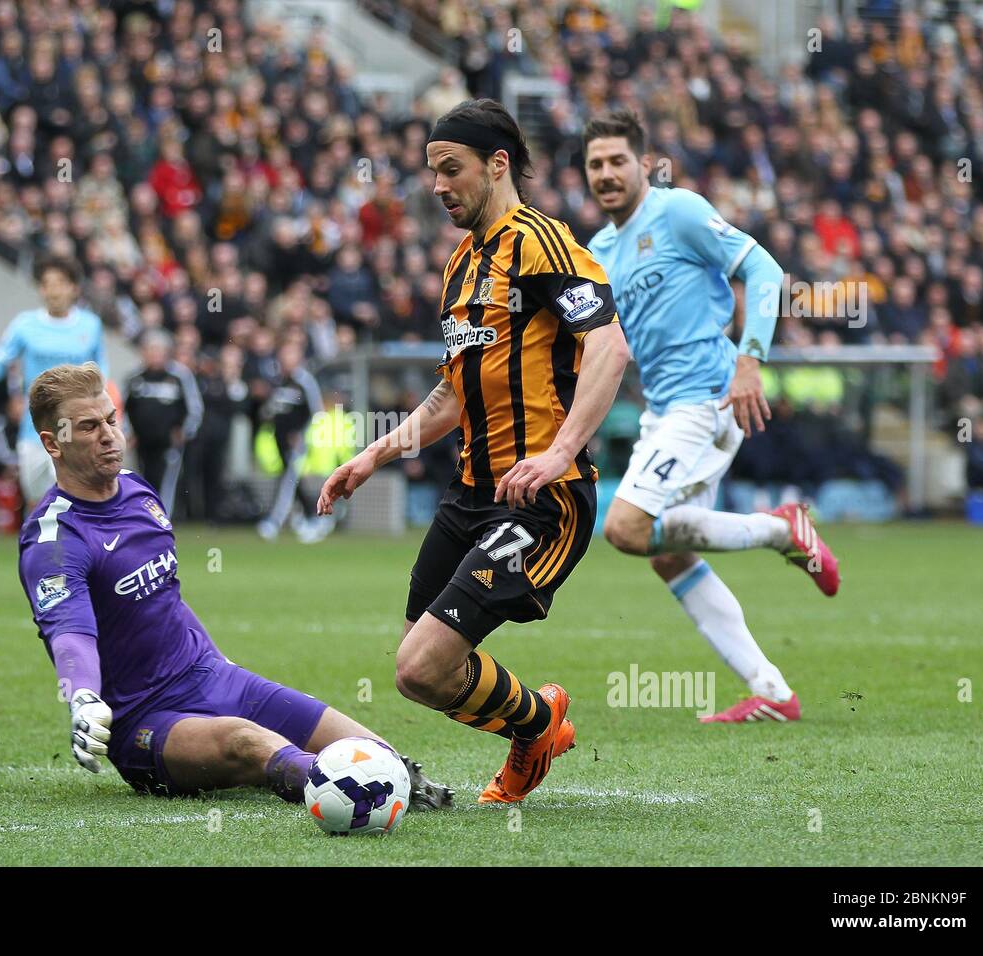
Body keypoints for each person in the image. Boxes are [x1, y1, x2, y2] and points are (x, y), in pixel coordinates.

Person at [318, 99, 631, 803]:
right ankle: (537, 722)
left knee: (427, 663)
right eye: (431, 172)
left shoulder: (541, 242)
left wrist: (559, 454)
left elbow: (609, 346)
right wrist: (375, 453)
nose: (436, 185)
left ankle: (534, 729)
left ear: (497, 166)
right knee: (415, 671)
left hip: (540, 499)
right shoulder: (463, 264)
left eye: (449, 169)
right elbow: (453, 396)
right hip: (470, 496)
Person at [17, 363, 453, 809]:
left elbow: (167, 598)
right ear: (53, 442)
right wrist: (85, 696)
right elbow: (70, 632)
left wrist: (214, 656)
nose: (109, 435)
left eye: (111, 419)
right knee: (249, 743)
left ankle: (394, 780)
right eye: (89, 427)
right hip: (145, 719)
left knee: (380, 756)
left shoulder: (137, 492)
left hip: (212, 675)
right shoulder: (52, 541)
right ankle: (342, 790)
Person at [582, 109, 841, 724]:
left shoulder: (678, 212)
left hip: (707, 398)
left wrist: (751, 360)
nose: (606, 173)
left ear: (643, 163)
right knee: (667, 551)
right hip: (665, 412)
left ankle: (783, 530)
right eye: (595, 164)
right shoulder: (597, 251)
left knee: (624, 528)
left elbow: (766, 270)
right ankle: (772, 691)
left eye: (618, 160)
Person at [0, 254, 105, 505]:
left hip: (78, 427)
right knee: (37, 502)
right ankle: (39, 545)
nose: (53, 290)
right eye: (47, 283)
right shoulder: (24, 325)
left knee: (76, 499)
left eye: (60, 282)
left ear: (74, 288)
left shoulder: (90, 326)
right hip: (36, 429)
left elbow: (101, 374)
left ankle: (76, 545)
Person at [256, 340, 329, 543]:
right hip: (279, 439)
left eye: (291, 356)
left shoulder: (305, 381)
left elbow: (317, 412)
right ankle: (314, 516)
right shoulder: (278, 381)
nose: (286, 361)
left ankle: (274, 521)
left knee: (287, 481)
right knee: (293, 481)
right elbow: (273, 409)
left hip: (298, 441)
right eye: (284, 356)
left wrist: (301, 434)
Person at [122, 329, 201, 516]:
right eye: (151, 350)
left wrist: (184, 432)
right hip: (142, 442)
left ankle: (162, 520)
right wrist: (127, 433)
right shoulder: (135, 378)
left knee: (166, 482)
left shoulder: (180, 376)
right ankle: (146, 520)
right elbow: (123, 409)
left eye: (159, 350)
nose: (155, 355)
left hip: (168, 443)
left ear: (167, 352)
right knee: (143, 481)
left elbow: (195, 408)